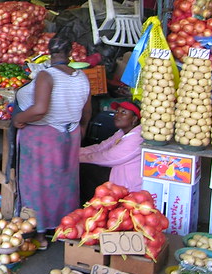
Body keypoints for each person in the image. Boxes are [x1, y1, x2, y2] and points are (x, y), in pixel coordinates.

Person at [12, 35, 92, 249]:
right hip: (70, 134)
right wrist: (81, 130)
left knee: (36, 185)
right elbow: (87, 111)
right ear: (70, 54)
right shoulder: (82, 76)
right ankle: (66, 228)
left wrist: (18, 119)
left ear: (49, 53)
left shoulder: (47, 76)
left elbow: (39, 109)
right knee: (65, 184)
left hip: (43, 139)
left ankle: (38, 233)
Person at [79, 100, 143, 191]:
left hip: (126, 183)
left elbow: (109, 157)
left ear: (134, 119)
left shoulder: (137, 137)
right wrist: (76, 152)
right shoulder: (121, 132)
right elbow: (101, 147)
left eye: (123, 112)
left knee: (83, 169)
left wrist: (78, 159)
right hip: (116, 171)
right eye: (117, 111)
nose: (117, 115)